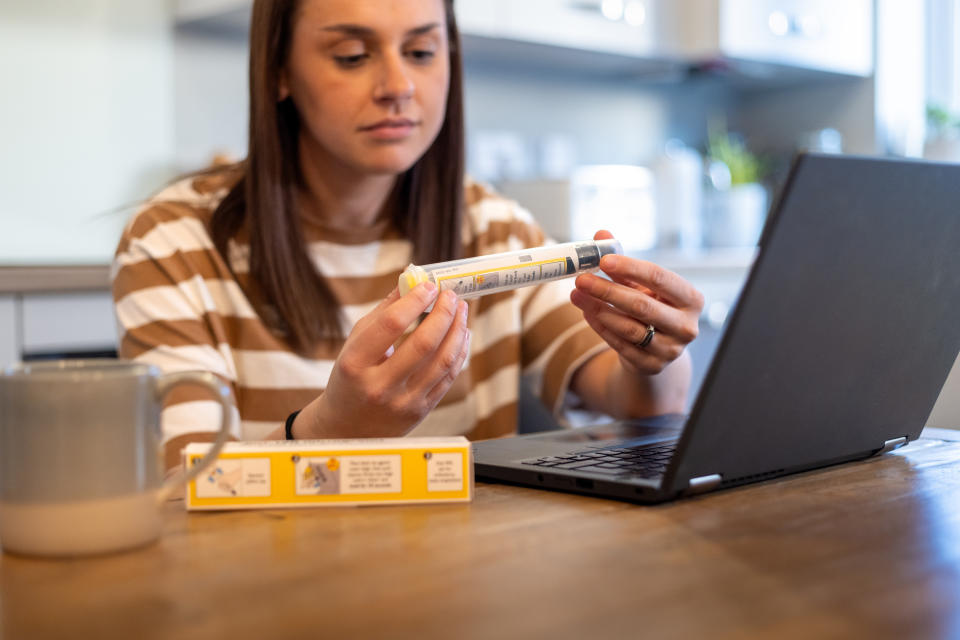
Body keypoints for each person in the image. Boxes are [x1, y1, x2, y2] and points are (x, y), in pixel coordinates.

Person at [112, 0, 704, 470]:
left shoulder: (495, 229)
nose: (398, 84)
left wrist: (655, 354)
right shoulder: (172, 245)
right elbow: (180, 488)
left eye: (421, 51)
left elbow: (635, 402)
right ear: (279, 72)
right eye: (350, 55)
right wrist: (330, 430)